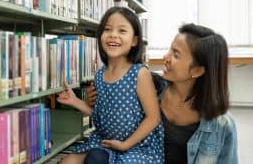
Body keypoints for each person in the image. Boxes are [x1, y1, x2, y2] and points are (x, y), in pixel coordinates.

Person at [86, 23, 238, 164]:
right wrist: (95, 102)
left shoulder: (221, 124)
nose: (166, 57)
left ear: (197, 70)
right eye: (170, 49)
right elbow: (112, 122)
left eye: (176, 55)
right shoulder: (147, 86)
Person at [56, 6, 164, 164]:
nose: (113, 35)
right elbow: (100, 114)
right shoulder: (100, 75)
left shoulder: (139, 73)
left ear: (134, 40)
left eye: (122, 31)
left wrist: (125, 144)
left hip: (138, 146)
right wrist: (76, 102)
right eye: (107, 29)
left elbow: (153, 118)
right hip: (106, 142)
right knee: (67, 161)